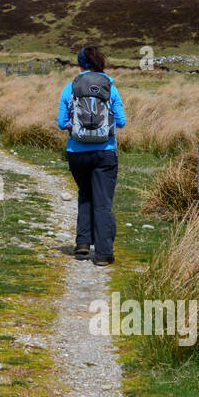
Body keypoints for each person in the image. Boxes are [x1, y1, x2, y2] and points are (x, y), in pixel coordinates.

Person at [56, 46, 126, 266]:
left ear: (79, 64)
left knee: (85, 193)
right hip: (105, 152)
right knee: (103, 202)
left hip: (77, 152)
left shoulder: (71, 87)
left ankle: (83, 244)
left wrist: (75, 127)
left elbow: (60, 123)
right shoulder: (110, 87)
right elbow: (122, 121)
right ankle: (104, 254)